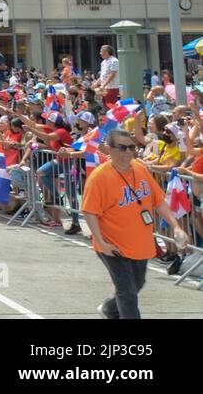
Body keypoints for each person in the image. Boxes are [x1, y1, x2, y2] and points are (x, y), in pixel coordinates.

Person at [81, 128, 191, 319]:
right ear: (110, 149)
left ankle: (109, 309)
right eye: (122, 148)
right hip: (112, 245)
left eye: (131, 147)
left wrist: (176, 226)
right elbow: (89, 212)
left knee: (137, 284)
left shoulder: (140, 169)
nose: (128, 153)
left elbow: (158, 201)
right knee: (128, 292)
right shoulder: (99, 177)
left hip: (140, 243)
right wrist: (101, 242)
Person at [93, 44, 122, 109]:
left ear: (106, 52)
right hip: (104, 89)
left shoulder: (114, 61)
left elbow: (112, 74)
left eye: (101, 51)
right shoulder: (103, 62)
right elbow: (102, 75)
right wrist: (96, 83)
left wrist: (103, 85)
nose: (100, 53)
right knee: (105, 106)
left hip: (112, 87)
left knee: (111, 106)